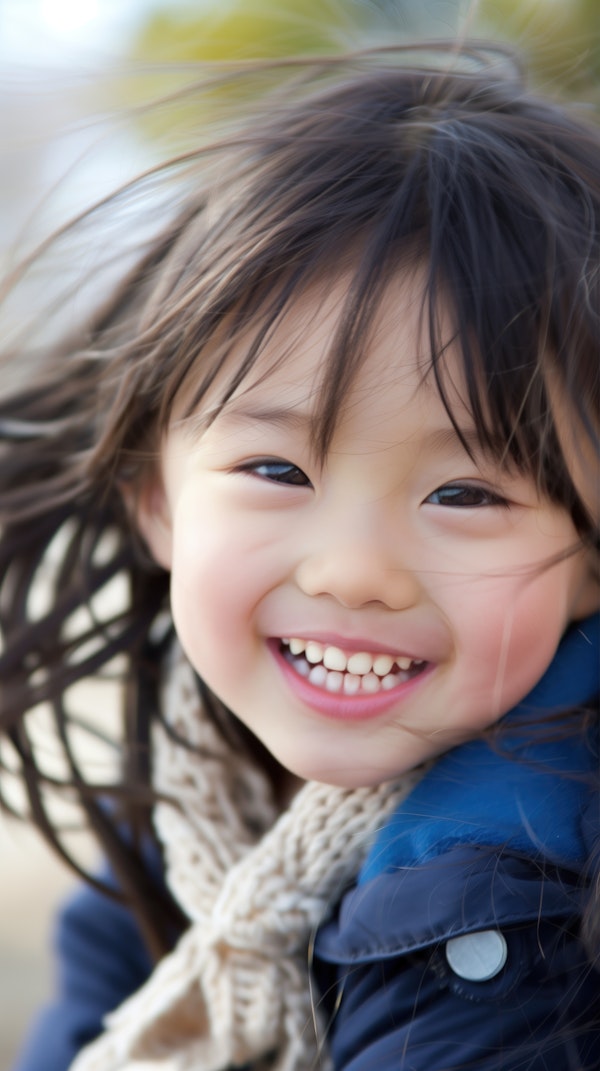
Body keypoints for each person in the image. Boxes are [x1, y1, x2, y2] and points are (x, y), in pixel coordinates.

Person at [1, 40, 599, 1071]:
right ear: (158, 500)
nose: (352, 570)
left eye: (466, 493)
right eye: (277, 470)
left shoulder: (530, 895)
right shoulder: (173, 826)